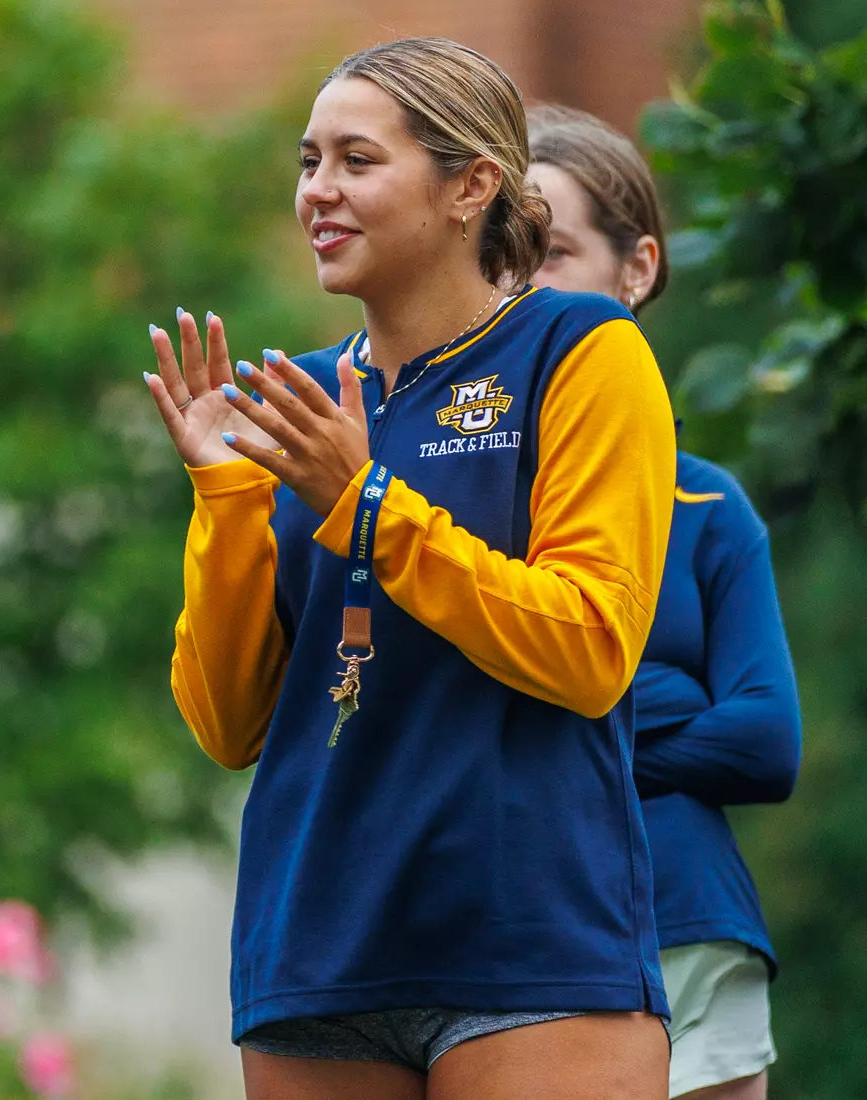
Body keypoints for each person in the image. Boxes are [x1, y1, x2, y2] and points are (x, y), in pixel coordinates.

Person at [144, 41, 677, 1100]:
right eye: (307, 162)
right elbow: (226, 720)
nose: (317, 193)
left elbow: (589, 647)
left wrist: (369, 504)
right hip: (316, 950)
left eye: (355, 159)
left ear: (470, 185)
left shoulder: (582, 348)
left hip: (532, 948)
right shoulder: (292, 392)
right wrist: (225, 496)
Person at [527, 104, 802, 1100]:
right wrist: (674, 694)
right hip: (516, 941)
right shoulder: (447, 498)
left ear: (635, 268)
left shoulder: (705, 502)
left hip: (692, 917)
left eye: (551, 250)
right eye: (499, 253)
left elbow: (767, 742)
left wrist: (564, 723)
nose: (521, 282)